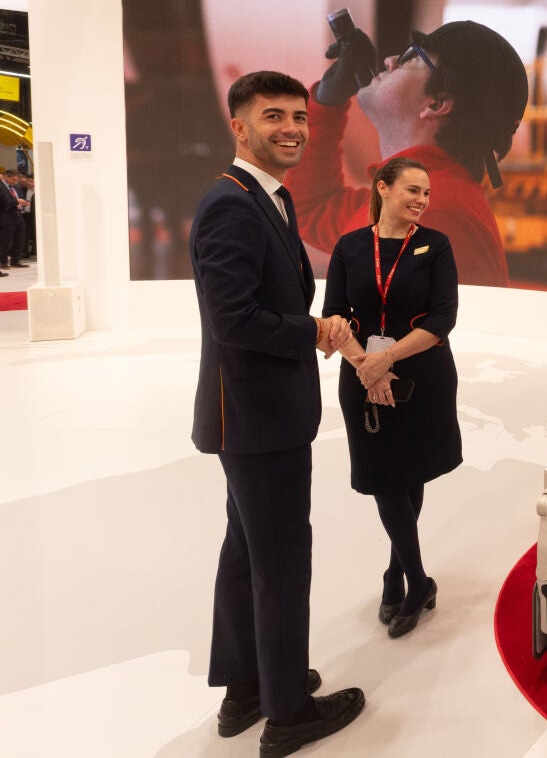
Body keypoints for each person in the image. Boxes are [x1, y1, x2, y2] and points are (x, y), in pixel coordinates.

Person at [191, 70, 364, 755]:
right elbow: (232, 319)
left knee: (247, 551)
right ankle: (288, 712)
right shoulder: (231, 205)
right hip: (258, 418)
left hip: (259, 413)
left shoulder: (269, 198)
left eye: (299, 116)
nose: (291, 128)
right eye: (274, 116)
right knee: (281, 562)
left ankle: (248, 686)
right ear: (239, 127)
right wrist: (311, 331)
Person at [322, 155, 462, 639]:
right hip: (362, 376)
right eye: (412, 190)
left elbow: (443, 318)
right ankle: (417, 579)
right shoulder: (349, 247)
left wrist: (387, 359)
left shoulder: (436, 245)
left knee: (410, 471)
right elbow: (334, 316)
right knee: (384, 476)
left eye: (427, 193)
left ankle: (396, 574)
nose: (422, 200)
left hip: (423, 376)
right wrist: (367, 366)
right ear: (383, 187)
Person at [285, 20, 530, 288]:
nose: (390, 61)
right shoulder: (419, 202)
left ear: (437, 103)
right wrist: (325, 103)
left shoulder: (429, 216)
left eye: (412, 58)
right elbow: (312, 209)